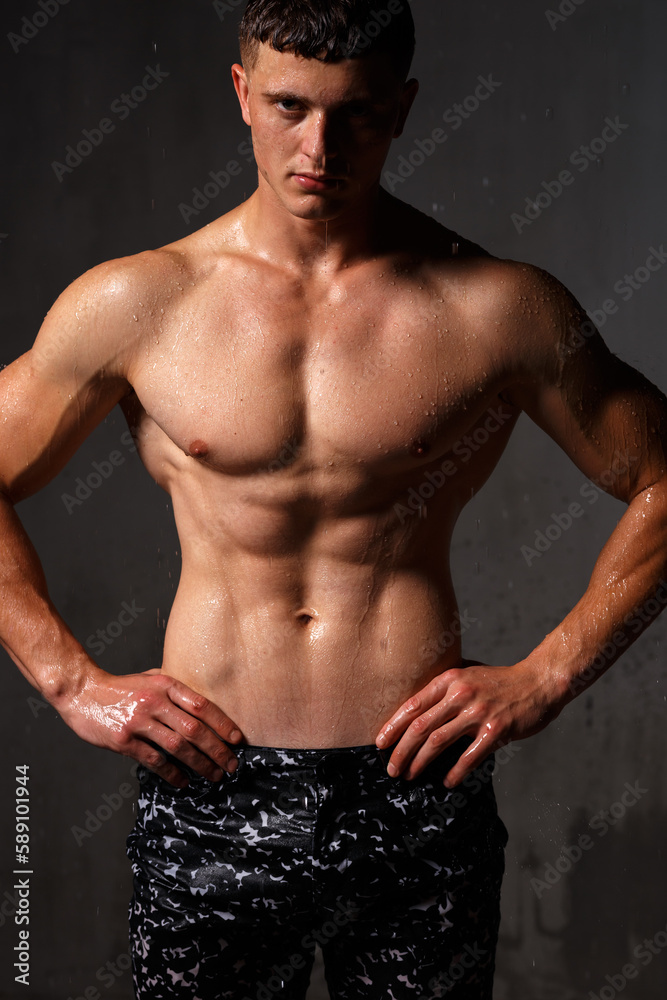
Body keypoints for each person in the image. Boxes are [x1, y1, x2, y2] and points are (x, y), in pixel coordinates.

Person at [1, 1, 666, 997]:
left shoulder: (496, 308)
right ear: (241, 95)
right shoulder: (140, 302)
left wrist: (545, 674)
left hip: (415, 792)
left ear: (401, 108)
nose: (318, 146)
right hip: (209, 790)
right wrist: (70, 682)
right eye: (288, 106)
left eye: (354, 112)